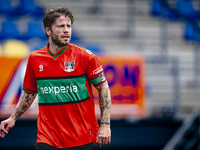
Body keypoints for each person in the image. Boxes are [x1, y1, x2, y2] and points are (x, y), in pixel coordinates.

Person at [0, 7, 111, 150]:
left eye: (69, 26)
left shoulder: (85, 57)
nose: (66, 30)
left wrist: (105, 125)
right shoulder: (35, 59)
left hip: (80, 137)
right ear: (48, 31)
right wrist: (13, 118)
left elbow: (103, 88)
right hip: (47, 137)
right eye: (61, 26)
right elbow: (29, 92)